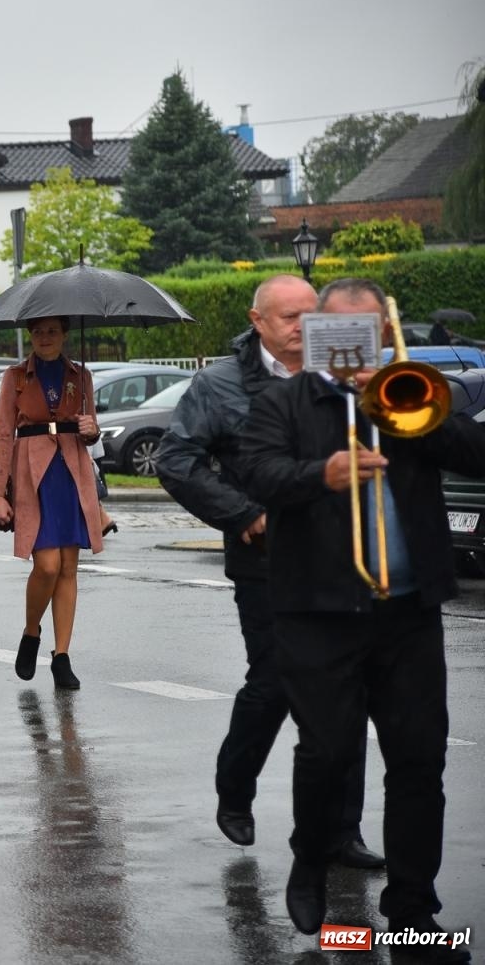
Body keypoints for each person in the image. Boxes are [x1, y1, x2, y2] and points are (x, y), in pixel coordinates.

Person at [240, 278, 484, 956]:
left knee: (418, 762)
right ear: (317, 332)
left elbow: (475, 452)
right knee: (328, 754)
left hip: (408, 612)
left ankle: (412, 911)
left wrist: (414, 410)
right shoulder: (284, 399)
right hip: (319, 611)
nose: (352, 344)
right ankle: (311, 859)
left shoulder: (415, 388)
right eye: (337, 332)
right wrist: (322, 473)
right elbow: (256, 473)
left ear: (382, 331)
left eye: (365, 331)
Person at [156, 275, 381, 866]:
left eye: (313, 316)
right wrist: (243, 514)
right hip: (265, 558)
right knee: (277, 679)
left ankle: (340, 831)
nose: (303, 328)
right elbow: (176, 461)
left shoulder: (337, 373)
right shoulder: (219, 384)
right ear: (257, 321)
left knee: (345, 691)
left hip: (342, 554)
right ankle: (236, 783)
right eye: (288, 318)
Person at [0, 317, 102, 690]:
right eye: (38, 332)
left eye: (53, 331)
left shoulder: (80, 376)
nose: (45, 338)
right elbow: (3, 433)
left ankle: (62, 656)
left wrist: (91, 430)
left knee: (69, 566)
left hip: (72, 471)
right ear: (30, 336)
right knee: (47, 565)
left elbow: (92, 430)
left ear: (66, 335)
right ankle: (32, 631)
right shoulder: (15, 377)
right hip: (32, 473)